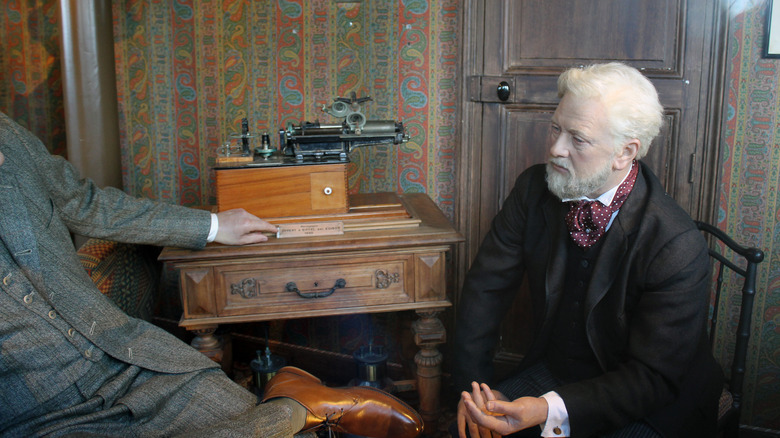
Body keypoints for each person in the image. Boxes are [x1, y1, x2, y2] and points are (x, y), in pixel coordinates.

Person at [0, 111, 422, 438]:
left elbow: (86, 203)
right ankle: (292, 408)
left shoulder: (8, 133)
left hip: (128, 357)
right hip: (36, 410)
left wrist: (215, 226)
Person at [451, 63, 722, 438]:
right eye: (556, 129)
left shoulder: (675, 244)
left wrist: (548, 409)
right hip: (559, 371)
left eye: (577, 139)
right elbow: (484, 292)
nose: (556, 149)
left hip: (653, 402)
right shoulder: (533, 191)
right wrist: (474, 392)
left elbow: (653, 378)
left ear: (625, 153)